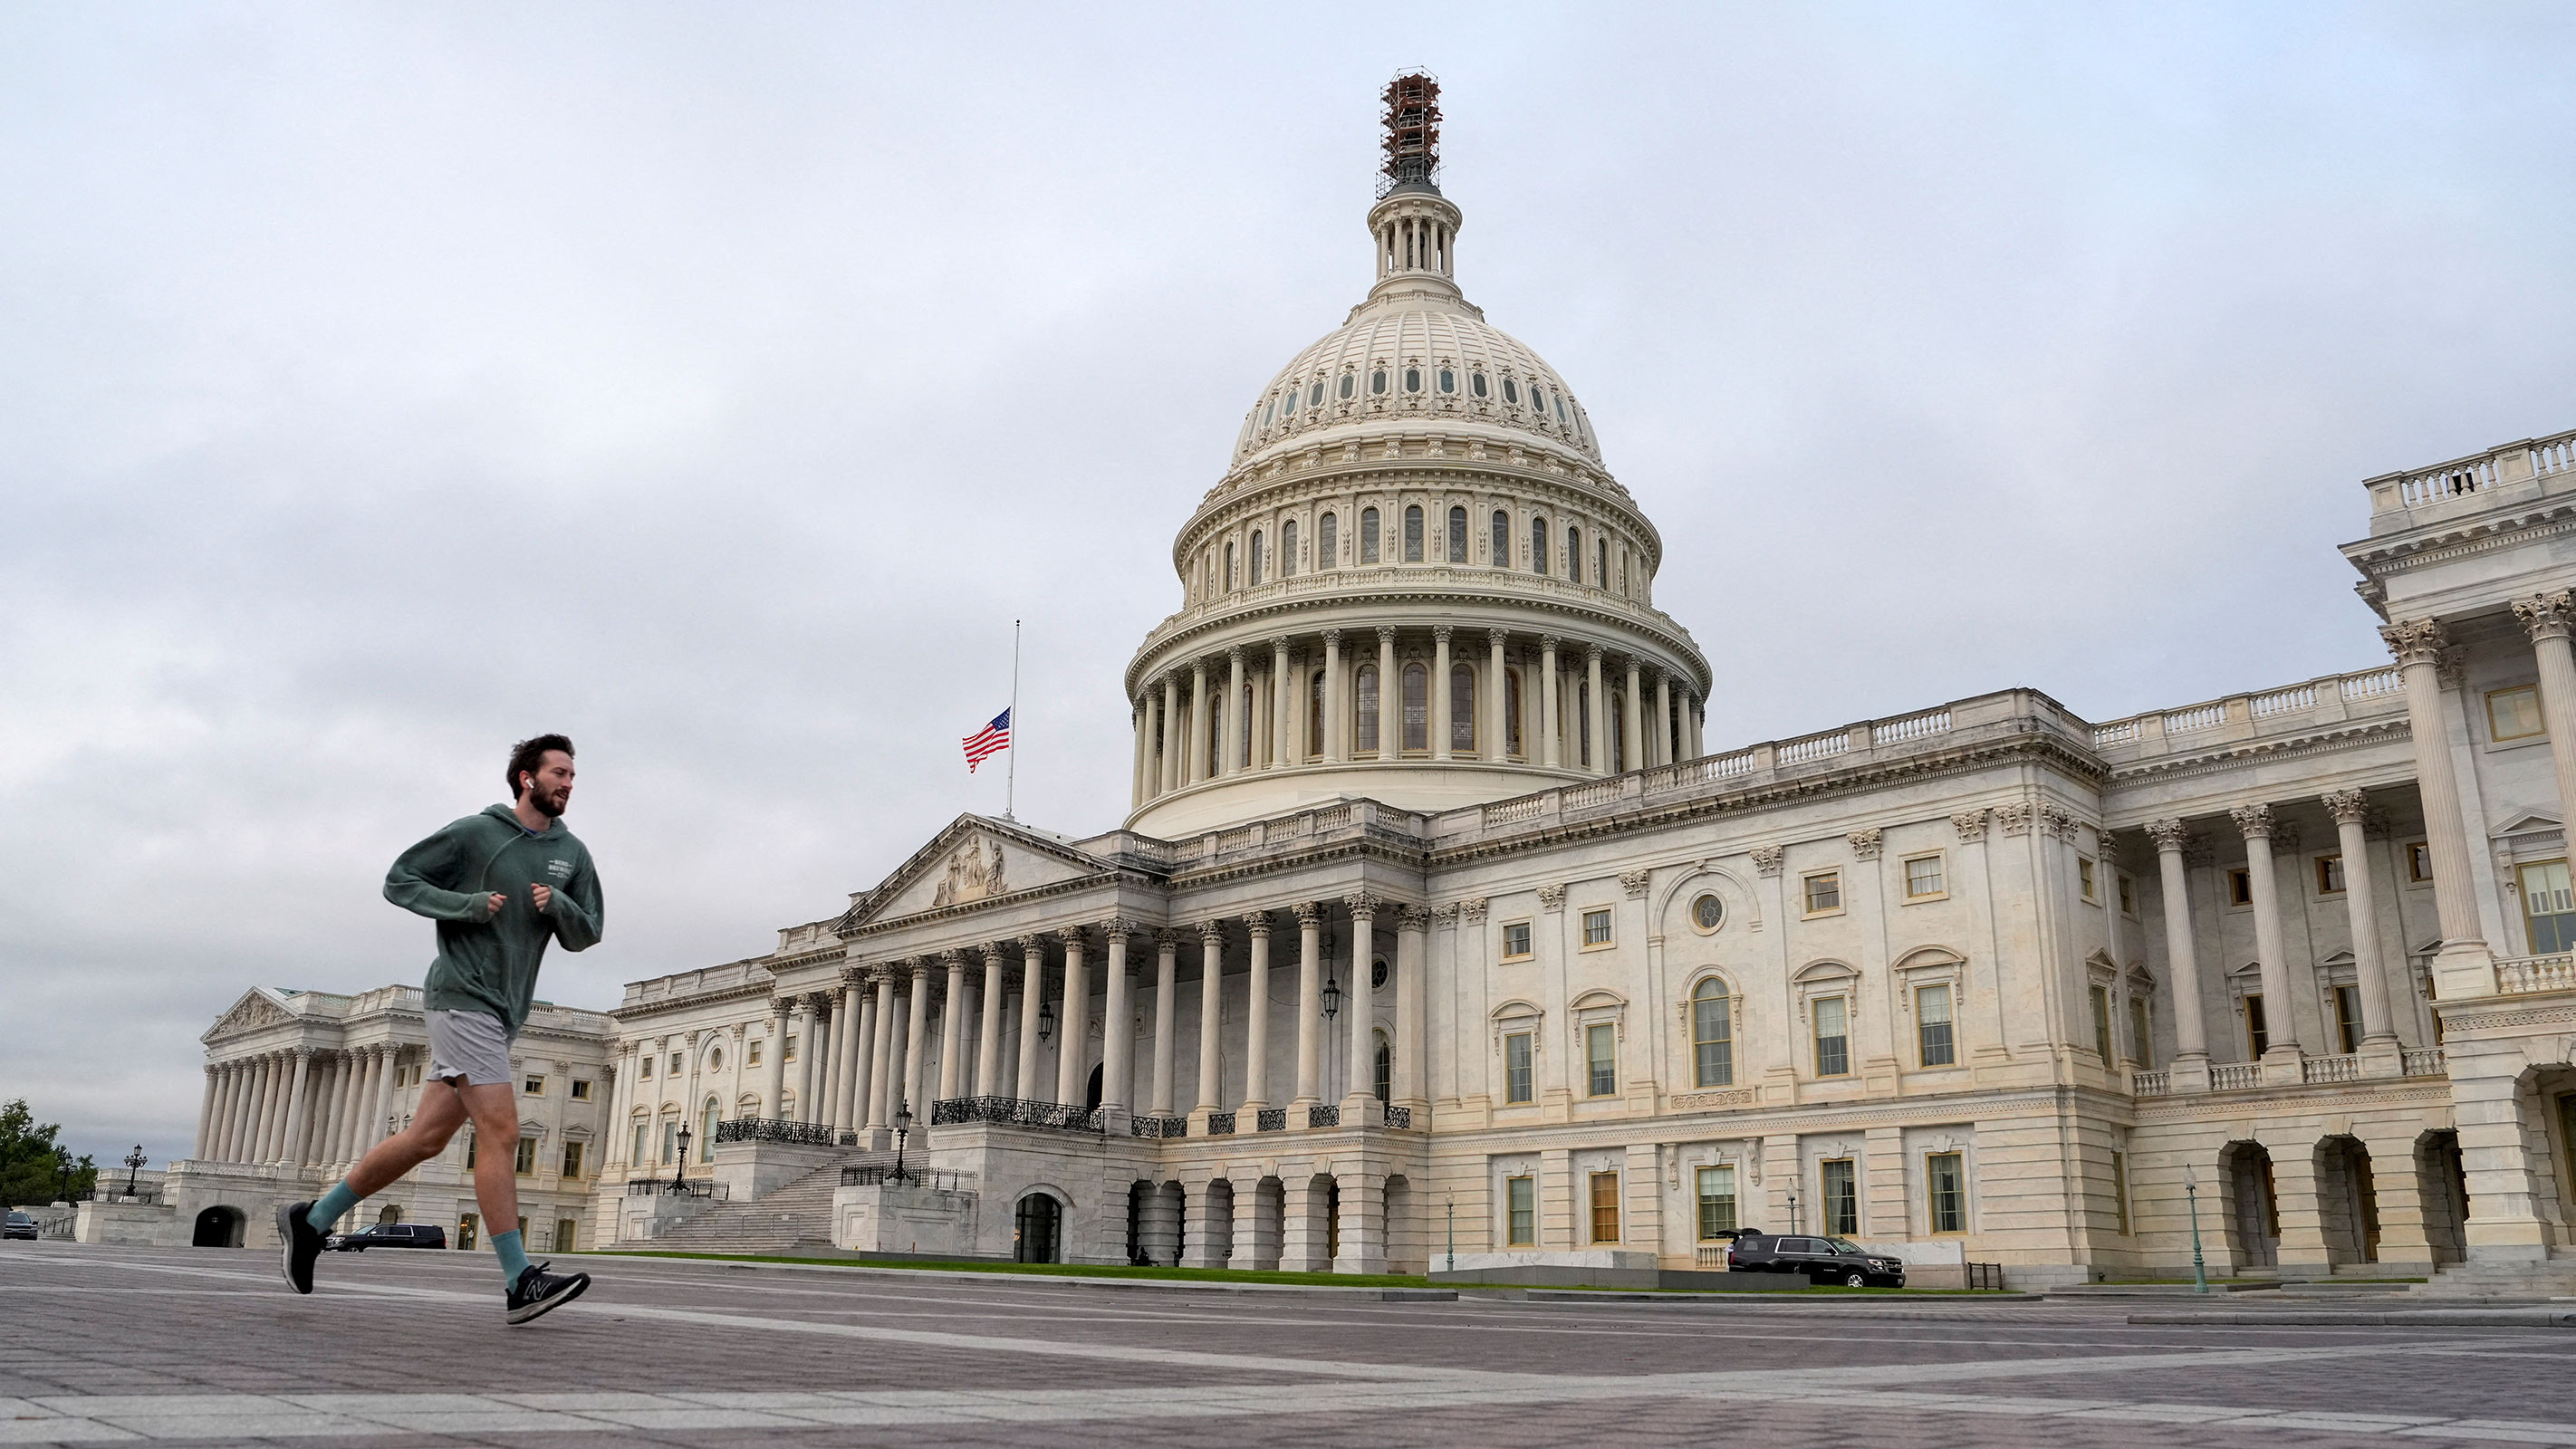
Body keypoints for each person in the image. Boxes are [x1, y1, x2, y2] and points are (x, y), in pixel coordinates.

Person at [278, 734, 604, 1324]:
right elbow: (400, 880)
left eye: (573, 776)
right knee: (502, 1132)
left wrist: (558, 903)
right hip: (462, 996)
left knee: (425, 1138)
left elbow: (588, 933)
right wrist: (467, 906)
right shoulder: (476, 833)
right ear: (527, 777)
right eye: (559, 773)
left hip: (505, 1010)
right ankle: (518, 1280)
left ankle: (312, 1221)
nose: (568, 784)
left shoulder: (571, 853)